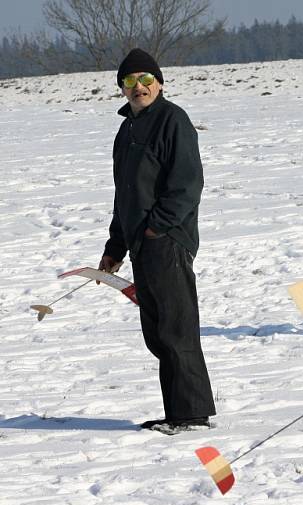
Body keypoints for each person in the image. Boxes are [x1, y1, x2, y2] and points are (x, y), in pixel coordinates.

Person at [98, 48, 216, 433]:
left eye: (146, 79)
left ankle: (193, 415)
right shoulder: (126, 129)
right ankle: (178, 413)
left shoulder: (173, 120)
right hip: (140, 244)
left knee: (176, 328)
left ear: (160, 83)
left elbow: (187, 184)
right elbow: (125, 195)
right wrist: (116, 246)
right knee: (158, 331)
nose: (139, 87)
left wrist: (157, 228)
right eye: (130, 81)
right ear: (121, 88)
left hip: (168, 240)